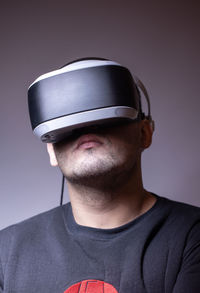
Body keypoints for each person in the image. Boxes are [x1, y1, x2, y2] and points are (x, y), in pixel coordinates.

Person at [0, 58, 200, 293]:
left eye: (104, 121)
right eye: (71, 125)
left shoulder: (191, 236)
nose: (87, 128)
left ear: (145, 133)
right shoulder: (7, 250)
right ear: (52, 152)